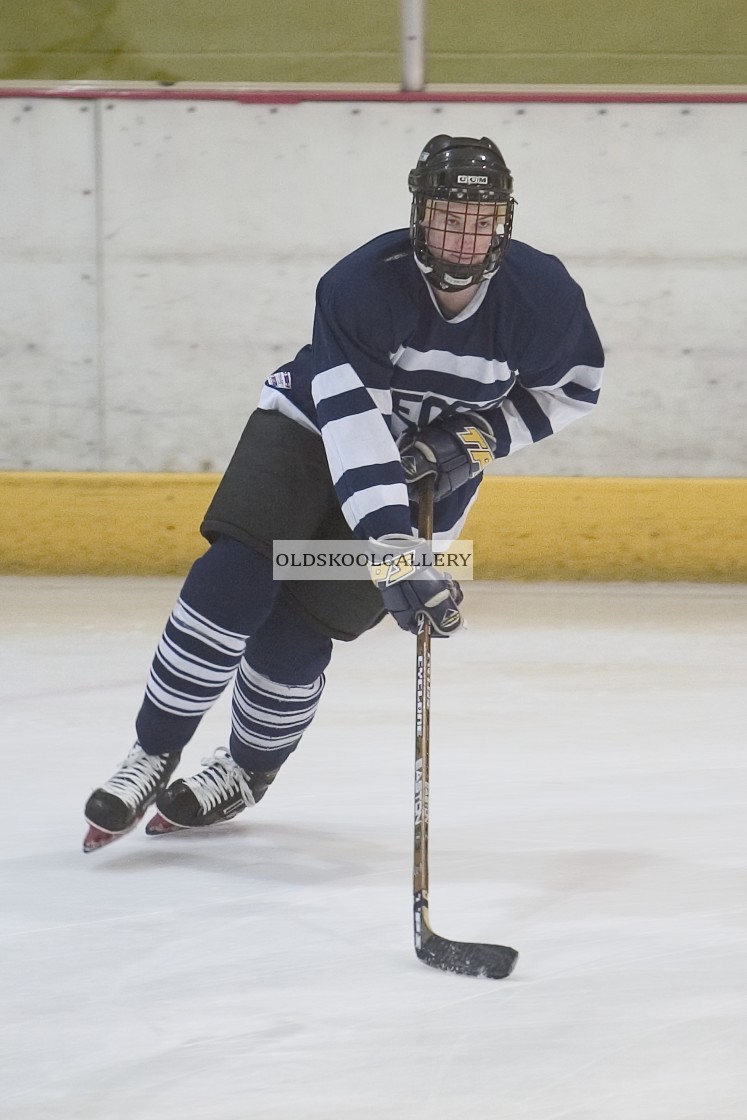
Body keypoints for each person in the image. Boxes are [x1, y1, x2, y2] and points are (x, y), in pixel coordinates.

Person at [83, 133, 604, 853]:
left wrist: (474, 440)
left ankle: (245, 768)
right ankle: (153, 749)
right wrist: (395, 554)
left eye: (480, 218)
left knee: (297, 636)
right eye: (449, 214)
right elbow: (356, 434)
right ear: (419, 214)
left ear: (504, 221)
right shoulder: (360, 283)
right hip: (304, 435)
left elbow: (573, 388)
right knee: (234, 575)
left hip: (434, 481)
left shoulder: (540, 296)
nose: (464, 234)